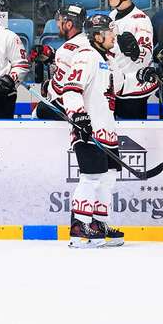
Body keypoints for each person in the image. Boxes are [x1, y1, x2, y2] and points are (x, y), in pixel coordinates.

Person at [58, 13, 125, 248]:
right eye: (110, 33)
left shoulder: (106, 58)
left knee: (107, 179)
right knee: (91, 177)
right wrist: (79, 116)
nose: (113, 36)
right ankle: (79, 227)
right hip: (89, 129)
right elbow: (70, 89)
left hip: (107, 128)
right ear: (98, 36)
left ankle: (98, 223)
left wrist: (120, 58)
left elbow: (121, 88)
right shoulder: (86, 57)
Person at [105, 0, 155, 119]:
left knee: (133, 138)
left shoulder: (140, 20)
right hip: (116, 86)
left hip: (133, 89)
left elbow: (145, 56)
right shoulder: (112, 16)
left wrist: (135, 51)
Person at [35, 4, 86, 120]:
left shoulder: (66, 50)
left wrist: (48, 86)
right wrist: (51, 54)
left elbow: (59, 90)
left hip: (68, 109)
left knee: (38, 112)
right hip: (84, 107)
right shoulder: (87, 41)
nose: (57, 24)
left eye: (60, 20)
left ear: (68, 24)